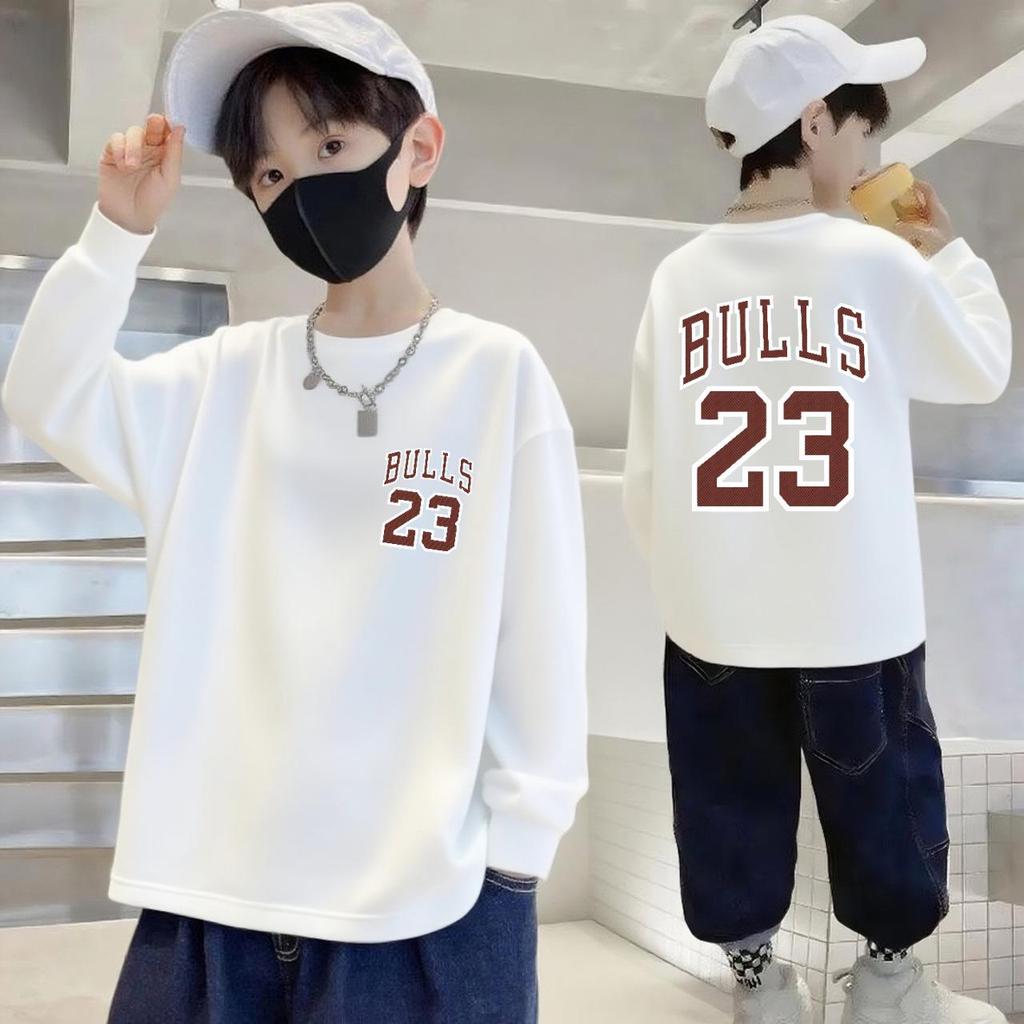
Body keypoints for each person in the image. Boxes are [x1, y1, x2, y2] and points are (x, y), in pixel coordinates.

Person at [0, 3, 588, 1021]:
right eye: (269, 173)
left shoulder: (496, 375)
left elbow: (539, 631)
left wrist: (519, 856)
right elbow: (49, 396)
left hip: (425, 903)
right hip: (209, 893)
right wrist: (115, 234)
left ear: (418, 149)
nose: (300, 187)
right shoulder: (223, 378)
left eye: (329, 146)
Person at [622, 14, 1012, 1024]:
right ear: (811, 123)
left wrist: (694, 585)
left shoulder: (678, 277)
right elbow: (981, 367)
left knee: (727, 808)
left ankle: (760, 988)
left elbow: (648, 469)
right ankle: (887, 983)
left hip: (716, 622)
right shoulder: (874, 262)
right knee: (883, 806)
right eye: (861, 128)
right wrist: (944, 253)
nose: (869, 154)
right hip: (856, 615)